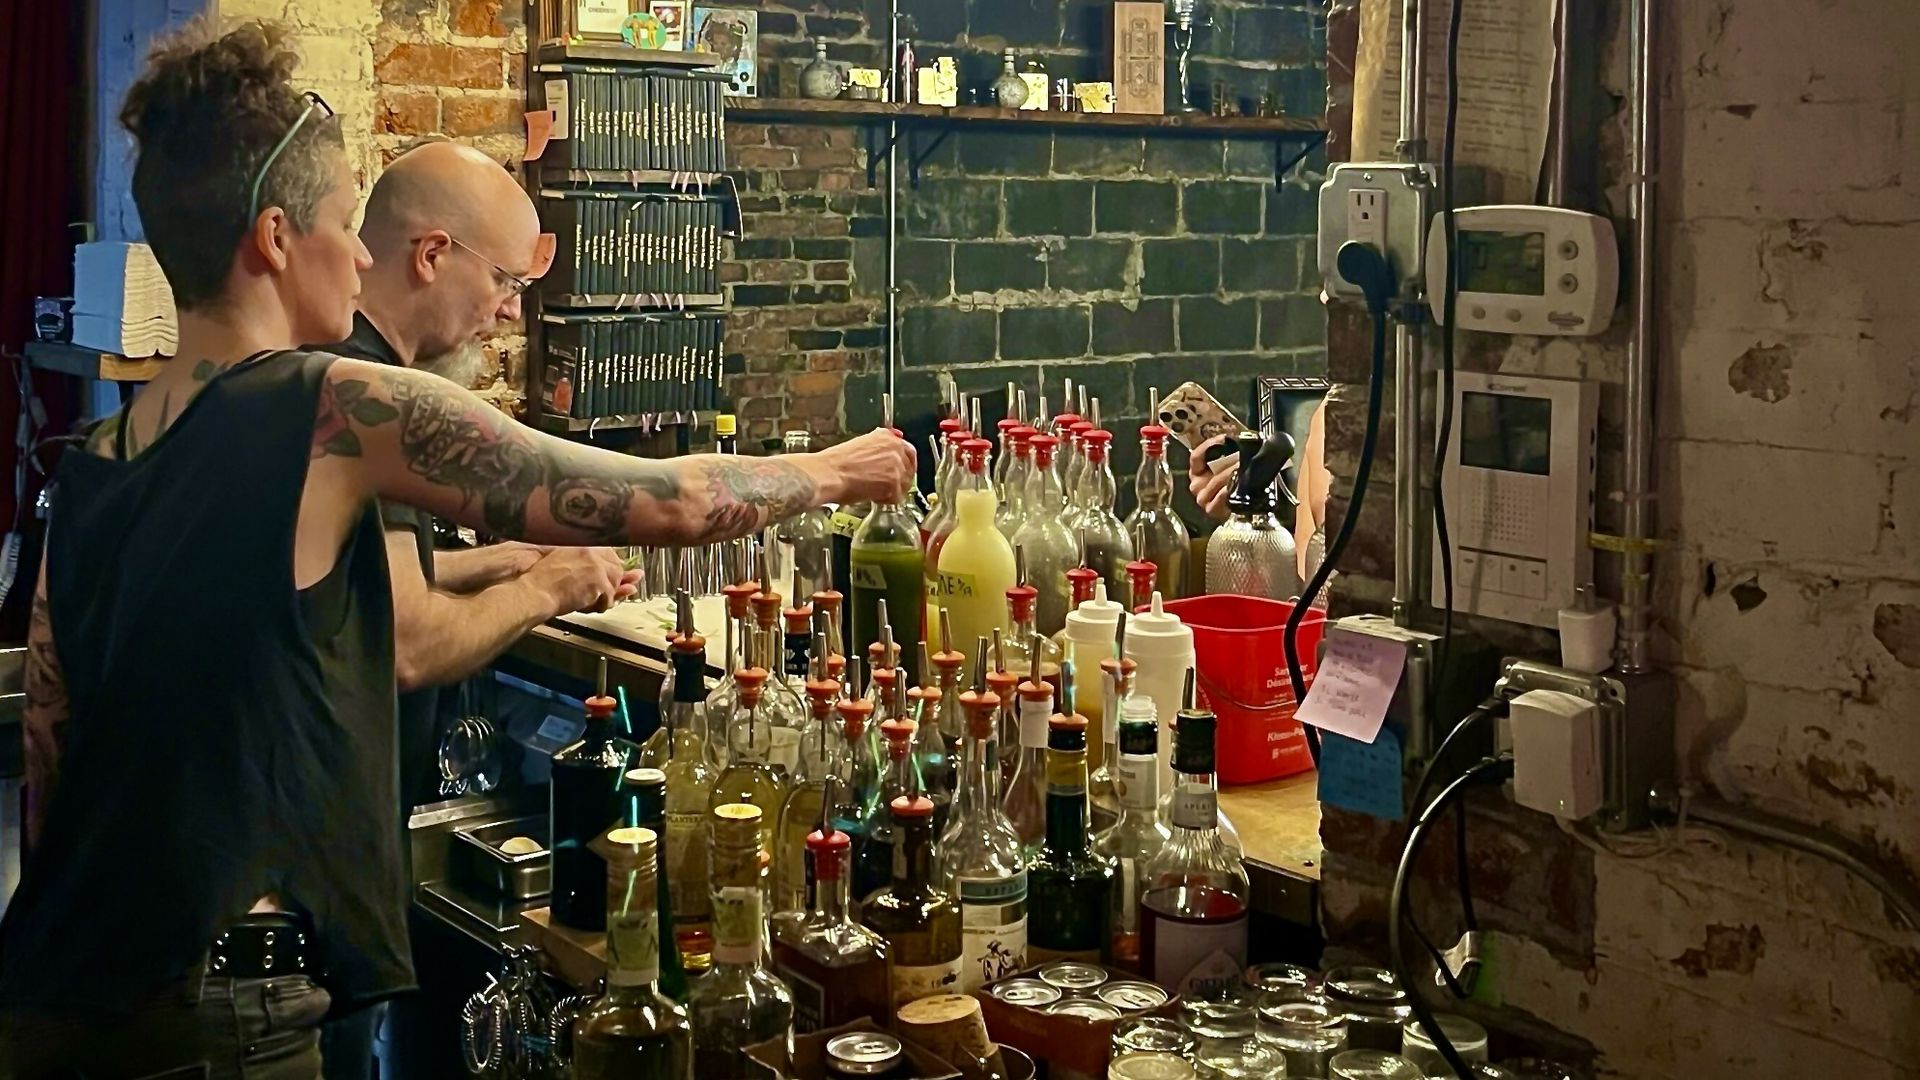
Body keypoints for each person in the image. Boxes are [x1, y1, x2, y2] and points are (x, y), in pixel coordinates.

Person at [0, 20, 911, 1080]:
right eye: (346, 222)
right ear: (276, 236)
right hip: (225, 1005)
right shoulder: (330, 402)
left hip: (57, 992)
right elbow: (665, 499)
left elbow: (47, 764)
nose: (359, 251)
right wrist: (836, 473)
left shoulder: (102, 457)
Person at [310, 140, 637, 1079]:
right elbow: (407, 641)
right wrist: (548, 586)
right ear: (430, 254)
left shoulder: (344, 373)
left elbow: (365, 575)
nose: (510, 308)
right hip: (324, 861)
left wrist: (498, 558)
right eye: (502, 278)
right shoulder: (369, 394)